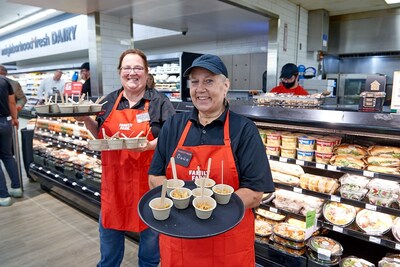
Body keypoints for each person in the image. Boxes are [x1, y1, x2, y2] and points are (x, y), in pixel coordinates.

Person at [148, 54, 275, 266]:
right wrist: (184, 201)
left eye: (209, 81)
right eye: (195, 82)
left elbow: (254, 193)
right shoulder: (174, 126)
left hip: (228, 244)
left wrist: (208, 207)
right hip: (180, 242)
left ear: (225, 86)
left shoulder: (244, 130)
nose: (200, 89)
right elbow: (155, 176)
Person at [76, 49, 175, 267]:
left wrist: (150, 145)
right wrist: (85, 119)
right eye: (127, 68)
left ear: (147, 72)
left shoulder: (160, 102)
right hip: (114, 185)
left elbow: (173, 136)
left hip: (149, 186)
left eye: (138, 67)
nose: (132, 73)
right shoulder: (109, 101)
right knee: (109, 252)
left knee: (149, 252)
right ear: (120, 72)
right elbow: (100, 133)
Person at [0, 77, 21, 206]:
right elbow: (12, 102)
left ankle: (3, 196)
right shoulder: (4, 81)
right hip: (6, 121)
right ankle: (16, 188)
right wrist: (15, 118)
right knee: (8, 155)